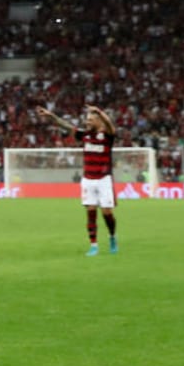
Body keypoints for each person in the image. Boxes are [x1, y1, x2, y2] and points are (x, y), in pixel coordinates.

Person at [37, 105, 118, 256]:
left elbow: (110, 126)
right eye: (87, 120)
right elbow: (66, 126)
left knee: (107, 213)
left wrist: (99, 112)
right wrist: (51, 116)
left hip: (103, 179)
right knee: (91, 212)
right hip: (88, 179)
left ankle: (112, 236)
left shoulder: (107, 137)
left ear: (99, 122)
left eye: (91, 120)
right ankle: (93, 245)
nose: (87, 122)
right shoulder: (84, 135)